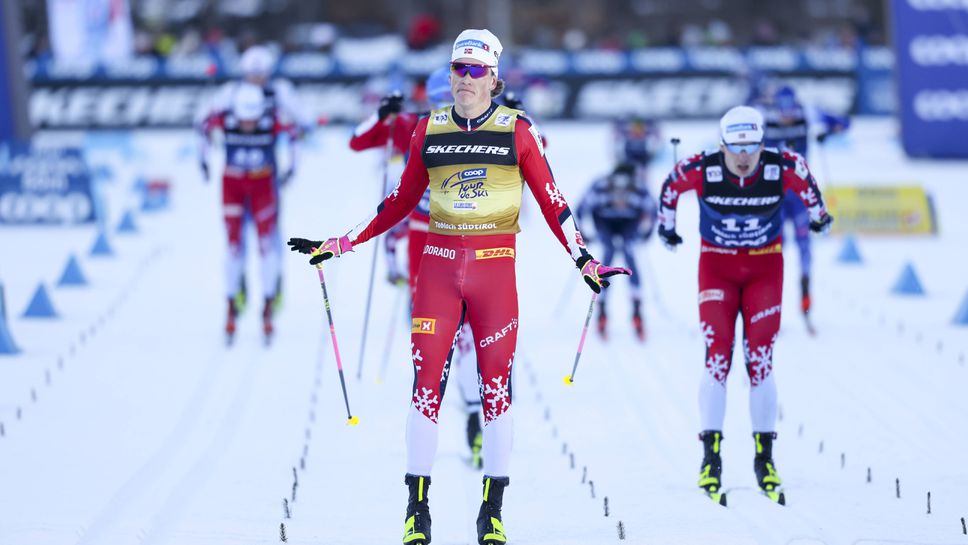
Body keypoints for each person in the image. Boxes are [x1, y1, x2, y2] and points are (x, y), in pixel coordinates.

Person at [289, 28, 629, 545]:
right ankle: (416, 510)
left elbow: (553, 203)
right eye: (458, 69)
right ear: (448, 76)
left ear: (494, 77)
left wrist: (584, 259)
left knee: (496, 393)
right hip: (438, 272)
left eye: (475, 70)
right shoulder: (428, 128)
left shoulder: (518, 131)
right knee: (425, 389)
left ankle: (491, 510)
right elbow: (399, 203)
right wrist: (340, 243)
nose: (465, 79)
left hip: (495, 274)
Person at [656, 105, 832, 505]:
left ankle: (764, 459)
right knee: (718, 358)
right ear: (721, 145)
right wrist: (667, 230)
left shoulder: (782, 165)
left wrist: (820, 217)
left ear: (762, 143)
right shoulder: (701, 168)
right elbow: (669, 188)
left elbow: (809, 187)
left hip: (764, 271)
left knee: (761, 360)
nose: (743, 157)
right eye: (735, 148)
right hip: (716, 270)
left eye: (752, 147)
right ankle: (710, 459)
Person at [349, 67, 487, 469]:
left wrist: (516, 110)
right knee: (432, 329)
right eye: (438, 102)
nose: (448, 109)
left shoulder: (485, 123)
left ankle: (477, 415)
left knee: (465, 331)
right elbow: (357, 142)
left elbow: (536, 147)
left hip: (468, 233)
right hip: (422, 233)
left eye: (456, 100)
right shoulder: (413, 124)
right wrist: (381, 114)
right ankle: (430, 412)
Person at [196, 45, 312, 314]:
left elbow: (303, 120)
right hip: (235, 179)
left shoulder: (279, 91)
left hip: (266, 177)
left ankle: (274, 285)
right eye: (252, 74)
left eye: (261, 74)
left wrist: (295, 142)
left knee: (269, 235)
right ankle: (238, 284)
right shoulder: (231, 93)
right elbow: (204, 119)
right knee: (236, 237)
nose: (257, 79)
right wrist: (205, 155)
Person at [199, 82, 298, 344]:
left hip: (262, 185)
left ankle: (267, 304)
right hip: (232, 185)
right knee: (233, 246)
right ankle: (231, 304)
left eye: (252, 120)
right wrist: (203, 160)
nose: (248, 125)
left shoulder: (271, 119)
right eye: (243, 120)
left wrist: (291, 166)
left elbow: (295, 132)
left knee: (266, 245)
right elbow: (203, 126)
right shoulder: (226, 117)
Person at [757, 85, 849, 330]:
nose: (787, 115)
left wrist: (828, 132)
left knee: (804, 247)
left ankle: (806, 300)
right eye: (782, 110)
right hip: (773, 196)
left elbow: (843, 122)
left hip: (798, 194)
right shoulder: (764, 116)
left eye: (790, 110)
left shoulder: (807, 112)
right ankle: (768, 308)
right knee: (773, 252)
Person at [576, 162, 657, 341]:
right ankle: (602, 308)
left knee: (629, 253)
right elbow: (581, 209)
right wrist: (583, 233)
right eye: (616, 190)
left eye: (625, 190)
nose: (620, 197)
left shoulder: (639, 189)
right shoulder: (600, 187)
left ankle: (636, 309)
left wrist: (647, 232)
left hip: (629, 223)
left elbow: (653, 210)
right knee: (608, 254)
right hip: (604, 222)